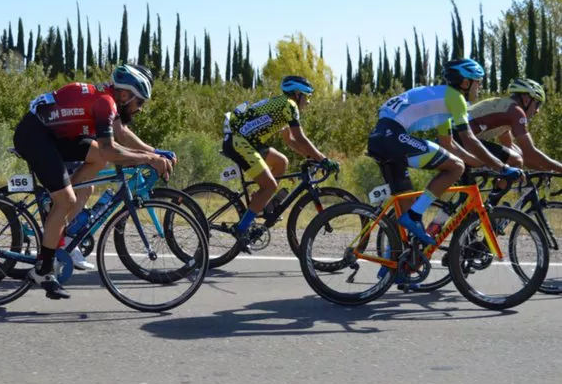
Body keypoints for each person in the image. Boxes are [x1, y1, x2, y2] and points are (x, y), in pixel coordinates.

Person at [13, 64, 174, 299]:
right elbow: (112, 150)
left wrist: (156, 153)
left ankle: (56, 207)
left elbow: (121, 136)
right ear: (126, 94)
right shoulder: (105, 103)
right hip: (35, 135)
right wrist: (150, 159)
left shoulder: (108, 98)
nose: (140, 109)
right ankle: (43, 270)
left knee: (98, 158)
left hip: (54, 135)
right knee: (68, 199)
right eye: (139, 102)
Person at [367, 58, 522, 247]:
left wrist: (482, 164)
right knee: (455, 167)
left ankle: (394, 266)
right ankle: (416, 215)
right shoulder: (455, 99)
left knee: (406, 205)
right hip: (392, 136)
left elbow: (449, 145)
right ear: (465, 82)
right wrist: (502, 167)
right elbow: (469, 140)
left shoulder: (442, 102)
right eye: (478, 82)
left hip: (381, 137)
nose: (480, 87)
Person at [222, 76, 339, 253]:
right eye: (306, 96)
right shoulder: (290, 106)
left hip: (247, 141)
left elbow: (290, 140)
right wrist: (323, 159)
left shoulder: (282, 104)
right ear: (297, 94)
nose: (308, 101)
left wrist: (310, 158)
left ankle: (261, 202)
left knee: (282, 162)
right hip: (239, 141)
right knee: (270, 185)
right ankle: (241, 228)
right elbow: (300, 138)